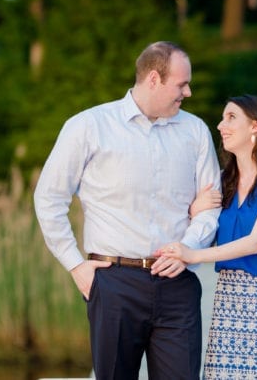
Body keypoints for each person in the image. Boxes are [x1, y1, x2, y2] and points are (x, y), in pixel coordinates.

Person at [33, 41, 221, 380]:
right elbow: (49, 198)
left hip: (177, 284)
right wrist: (76, 265)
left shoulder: (195, 132)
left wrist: (187, 248)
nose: (188, 92)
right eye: (181, 84)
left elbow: (211, 206)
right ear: (153, 79)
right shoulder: (88, 126)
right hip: (114, 283)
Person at [156, 94, 257, 379]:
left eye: (231, 117)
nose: (220, 125)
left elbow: (255, 242)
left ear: (255, 126)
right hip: (231, 296)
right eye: (222, 118)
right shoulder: (222, 180)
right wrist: (195, 210)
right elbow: (200, 224)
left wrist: (193, 256)